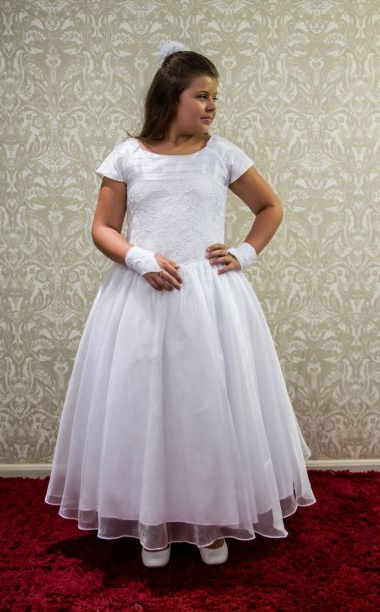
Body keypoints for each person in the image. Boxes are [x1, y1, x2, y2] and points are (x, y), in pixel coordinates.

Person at [45, 41, 316, 569]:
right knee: (144, 408)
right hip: (142, 297)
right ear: (173, 96)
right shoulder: (127, 156)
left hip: (210, 301)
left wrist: (244, 252)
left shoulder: (222, 153)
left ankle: (210, 520)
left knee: (206, 408)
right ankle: (153, 523)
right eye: (203, 96)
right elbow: (103, 227)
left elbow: (269, 206)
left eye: (215, 97)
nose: (212, 106)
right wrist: (138, 257)